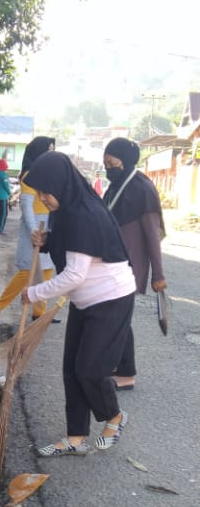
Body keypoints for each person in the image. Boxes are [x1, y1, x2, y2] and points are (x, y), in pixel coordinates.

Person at [20, 152, 136, 454]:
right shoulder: (67, 208)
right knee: (71, 369)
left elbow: (74, 274)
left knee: (90, 370)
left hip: (111, 298)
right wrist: (45, 240)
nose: (43, 198)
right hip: (85, 300)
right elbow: (68, 246)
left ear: (62, 183)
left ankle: (115, 417)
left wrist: (33, 293)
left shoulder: (85, 214)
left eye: (46, 191)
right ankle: (75, 438)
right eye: (39, 192)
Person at [103, 137, 167, 390]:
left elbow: (153, 236)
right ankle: (117, 366)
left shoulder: (141, 188)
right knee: (113, 318)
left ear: (125, 160)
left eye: (111, 162)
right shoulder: (117, 186)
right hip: (113, 263)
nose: (108, 168)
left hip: (131, 268)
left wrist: (158, 275)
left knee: (118, 319)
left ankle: (126, 373)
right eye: (105, 164)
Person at [0, 136, 56, 322]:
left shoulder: (50, 174)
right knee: (28, 271)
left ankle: (39, 312)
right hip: (33, 227)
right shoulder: (30, 175)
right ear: (38, 152)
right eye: (48, 149)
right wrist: (34, 230)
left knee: (47, 271)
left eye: (53, 149)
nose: (51, 153)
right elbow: (26, 206)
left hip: (49, 226)